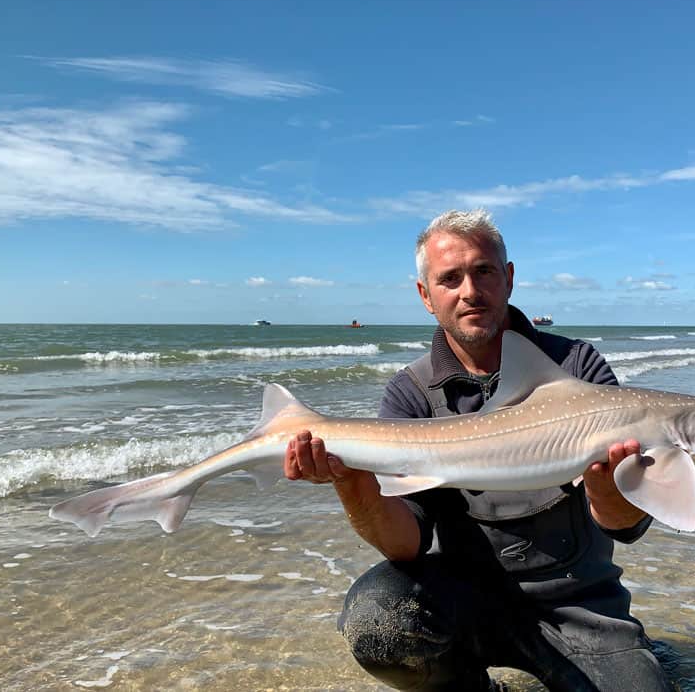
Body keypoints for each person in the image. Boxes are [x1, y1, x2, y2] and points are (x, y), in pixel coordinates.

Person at [284, 209, 671, 691]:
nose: (470, 290)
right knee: (376, 618)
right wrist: (351, 480)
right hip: (468, 599)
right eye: (450, 278)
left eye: (483, 271)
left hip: (583, 608)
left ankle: (635, 658)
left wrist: (605, 485)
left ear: (508, 278)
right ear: (426, 296)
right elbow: (405, 545)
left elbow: (627, 525)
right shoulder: (411, 393)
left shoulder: (574, 366)